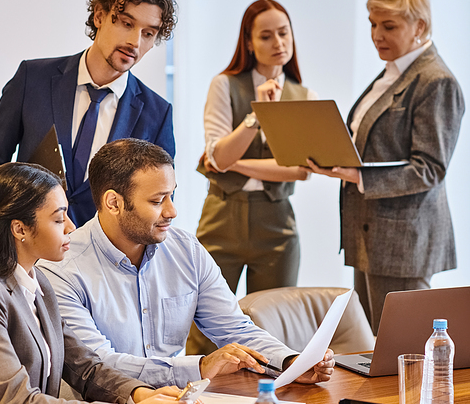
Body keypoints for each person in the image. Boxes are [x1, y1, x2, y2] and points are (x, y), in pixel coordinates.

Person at [39, 138, 335, 389]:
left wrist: (291, 362)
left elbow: (235, 329)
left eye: (172, 195)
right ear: (114, 203)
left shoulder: (186, 250)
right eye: (157, 201)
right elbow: (100, 365)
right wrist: (201, 367)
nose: (172, 211)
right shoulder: (61, 270)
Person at [0, 162, 193, 404]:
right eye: (58, 218)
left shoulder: (38, 282)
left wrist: (139, 394)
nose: (71, 227)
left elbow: (84, 367)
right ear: (20, 229)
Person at [308, 0, 465, 333]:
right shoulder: (392, 73)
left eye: (388, 26)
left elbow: (429, 169)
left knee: (404, 349)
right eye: (373, 25)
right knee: (376, 350)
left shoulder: (436, 81)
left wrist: (356, 175)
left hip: (402, 242)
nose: (377, 34)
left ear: (420, 26)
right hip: (369, 234)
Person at [0, 0, 177, 228]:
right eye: (126, 23)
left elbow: (159, 196)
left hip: (103, 258)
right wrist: (14, 211)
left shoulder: (157, 113)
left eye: (148, 33)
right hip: (25, 246)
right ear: (100, 16)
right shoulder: (32, 78)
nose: (135, 41)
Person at [196, 0, 316, 296]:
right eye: (266, 36)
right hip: (222, 216)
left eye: (284, 32)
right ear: (248, 43)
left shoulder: (305, 97)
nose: (278, 42)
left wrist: (232, 164)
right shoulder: (224, 84)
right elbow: (221, 155)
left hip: (277, 222)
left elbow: (300, 171)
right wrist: (257, 114)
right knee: (204, 321)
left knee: (273, 322)